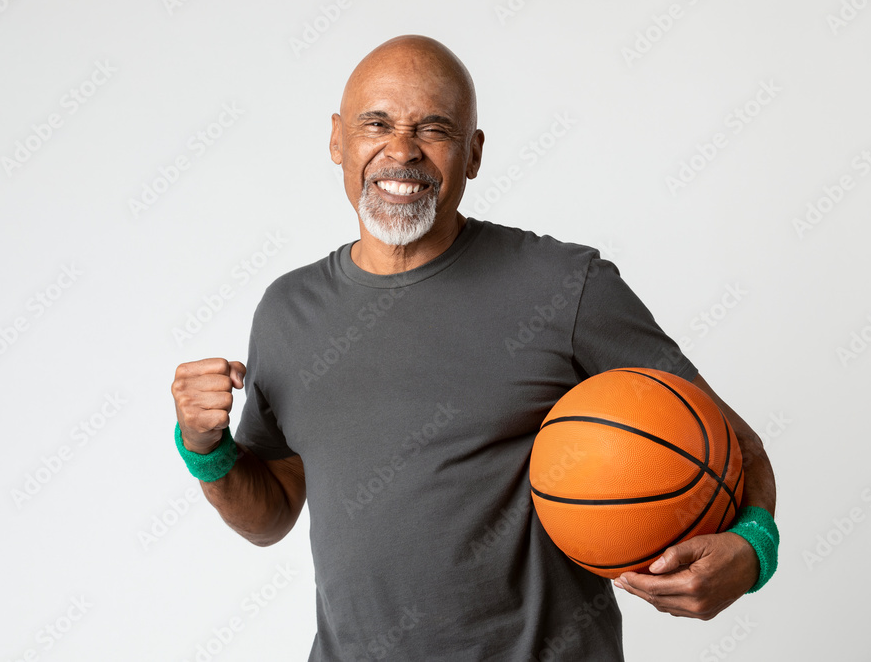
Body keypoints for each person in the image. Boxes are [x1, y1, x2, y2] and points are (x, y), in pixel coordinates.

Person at [171, 35, 778, 661]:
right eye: (375, 123)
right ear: (337, 140)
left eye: (433, 129)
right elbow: (272, 512)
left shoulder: (565, 286)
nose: (400, 151)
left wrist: (755, 547)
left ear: (474, 153)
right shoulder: (287, 311)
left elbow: (737, 445)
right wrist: (205, 451)